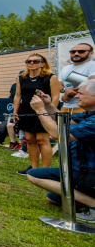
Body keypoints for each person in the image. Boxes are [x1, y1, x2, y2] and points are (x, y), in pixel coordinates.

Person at [27, 82, 95, 222]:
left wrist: (40, 110)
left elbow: (58, 134)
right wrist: (48, 105)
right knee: (53, 198)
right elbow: (66, 121)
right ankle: (88, 198)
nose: (76, 96)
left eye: (81, 93)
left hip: (90, 173)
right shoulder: (90, 114)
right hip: (81, 170)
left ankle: (93, 204)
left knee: (34, 175)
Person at [13, 54, 60, 176]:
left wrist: (50, 113)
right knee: (29, 140)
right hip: (26, 110)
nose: (31, 63)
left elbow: (55, 97)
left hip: (43, 111)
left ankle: (45, 171)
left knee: (42, 140)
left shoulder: (51, 77)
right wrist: (15, 112)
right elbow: (18, 96)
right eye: (28, 61)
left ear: (43, 63)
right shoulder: (21, 78)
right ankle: (34, 168)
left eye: (35, 61)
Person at [59, 42, 95, 115]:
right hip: (65, 107)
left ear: (91, 53)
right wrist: (65, 90)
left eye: (81, 51)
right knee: (59, 126)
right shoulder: (65, 68)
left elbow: (92, 86)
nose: (76, 53)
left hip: (85, 108)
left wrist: (69, 95)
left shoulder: (93, 65)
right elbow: (59, 85)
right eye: (73, 52)